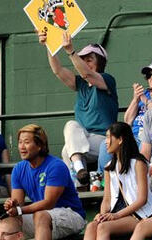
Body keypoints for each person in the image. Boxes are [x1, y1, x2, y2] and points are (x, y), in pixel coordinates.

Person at [80, 122, 152, 240]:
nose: (106, 141)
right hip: (119, 213)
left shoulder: (139, 163)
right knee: (92, 226)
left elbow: (142, 199)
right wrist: (102, 214)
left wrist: (116, 215)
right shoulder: (110, 166)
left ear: (121, 140)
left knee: (103, 227)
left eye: (110, 137)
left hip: (139, 215)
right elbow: (107, 199)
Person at [41, 33, 116, 186]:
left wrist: (70, 52)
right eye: (83, 60)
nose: (85, 63)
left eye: (90, 59)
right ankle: (80, 178)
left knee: (67, 146)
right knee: (70, 132)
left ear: (100, 62)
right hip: (81, 141)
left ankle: (79, 175)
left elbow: (87, 73)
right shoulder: (80, 83)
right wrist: (50, 45)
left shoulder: (107, 79)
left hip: (103, 141)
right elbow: (58, 70)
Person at [1, 124, 86, 240]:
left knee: (41, 215)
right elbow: (18, 204)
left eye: (27, 142)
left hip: (72, 215)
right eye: (20, 142)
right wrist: (12, 206)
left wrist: (19, 210)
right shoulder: (18, 169)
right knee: (5, 225)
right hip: (42, 217)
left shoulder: (56, 166)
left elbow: (48, 203)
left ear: (40, 145)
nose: (22, 147)